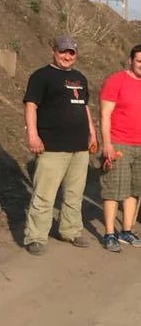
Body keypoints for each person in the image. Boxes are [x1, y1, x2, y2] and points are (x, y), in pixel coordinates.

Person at [22, 35, 97, 255]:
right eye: (63, 51)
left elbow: (84, 107)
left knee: (74, 194)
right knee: (44, 195)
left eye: (71, 52)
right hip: (52, 147)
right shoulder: (41, 76)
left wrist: (92, 133)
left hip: (79, 147)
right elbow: (31, 106)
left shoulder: (80, 78)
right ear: (53, 51)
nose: (67, 56)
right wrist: (33, 135)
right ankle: (36, 237)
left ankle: (70, 231)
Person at [98, 44, 141, 252]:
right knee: (113, 190)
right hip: (119, 142)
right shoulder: (115, 81)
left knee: (135, 190)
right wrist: (107, 143)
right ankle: (109, 233)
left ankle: (126, 231)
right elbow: (105, 114)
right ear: (130, 60)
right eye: (140, 61)